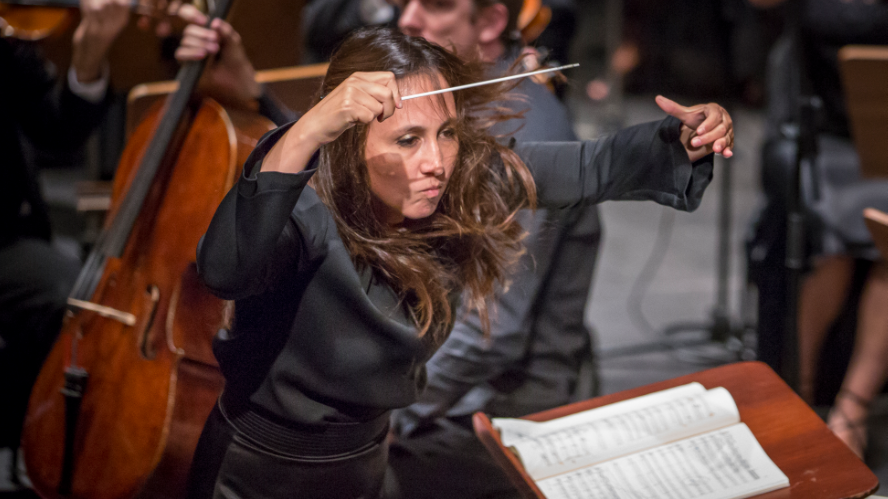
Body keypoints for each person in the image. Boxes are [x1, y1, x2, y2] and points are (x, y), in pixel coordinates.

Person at [185, 26, 734, 499]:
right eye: (407, 139)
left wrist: (683, 141)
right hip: (257, 475)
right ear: (348, 141)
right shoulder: (303, 209)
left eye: (445, 133)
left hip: (368, 465)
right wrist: (306, 129)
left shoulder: (464, 179)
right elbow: (226, 270)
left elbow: (593, 165)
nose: (435, 163)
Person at [747, 0, 888, 459]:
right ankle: (798, 397)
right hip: (822, 132)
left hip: (881, 139)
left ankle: (852, 407)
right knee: (828, 236)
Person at [0, 0, 130, 487]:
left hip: (7, 239)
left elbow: (56, 131)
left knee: (72, 296)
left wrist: (90, 51)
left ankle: (42, 454)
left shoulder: (7, 41)